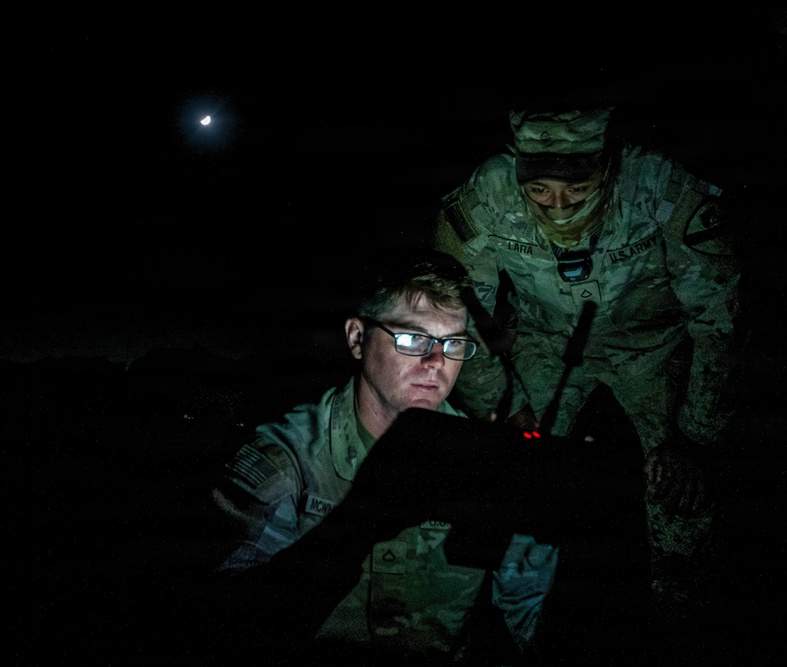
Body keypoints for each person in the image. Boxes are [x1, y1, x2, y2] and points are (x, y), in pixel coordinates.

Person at [194, 249, 582, 666]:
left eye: (454, 344)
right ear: (357, 338)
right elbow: (216, 624)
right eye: (413, 338)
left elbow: (532, 621)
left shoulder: (487, 461)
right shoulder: (289, 458)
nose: (437, 362)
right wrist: (358, 523)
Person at [434, 107, 744, 624]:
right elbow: (459, 315)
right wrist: (503, 402)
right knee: (501, 471)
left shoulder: (660, 187)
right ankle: (501, 621)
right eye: (540, 191)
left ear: (606, 165)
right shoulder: (485, 194)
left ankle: (685, 617)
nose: (558, 207)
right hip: (545, 340)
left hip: (653, 346)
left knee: (682, 495)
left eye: (576, 189)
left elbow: (721, 320)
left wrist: (694, 438)